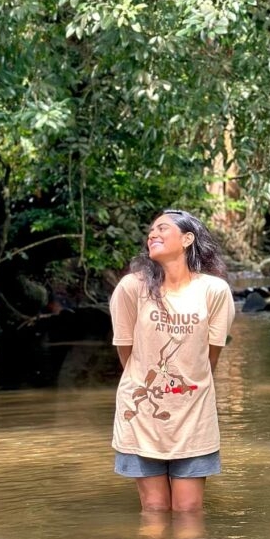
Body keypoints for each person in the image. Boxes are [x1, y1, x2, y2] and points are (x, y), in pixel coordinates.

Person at [109, 209, 235, 514]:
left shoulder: (214, 291)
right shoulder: (131, 288)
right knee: (153, 510)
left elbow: (209, 357)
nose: (153, 234)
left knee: (189, 511)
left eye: (163, 229)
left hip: (193, 413)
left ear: (187, 239)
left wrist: (184, 386)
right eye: (151, 230)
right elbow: (126, 351)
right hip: (141, 414)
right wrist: (148, 383)